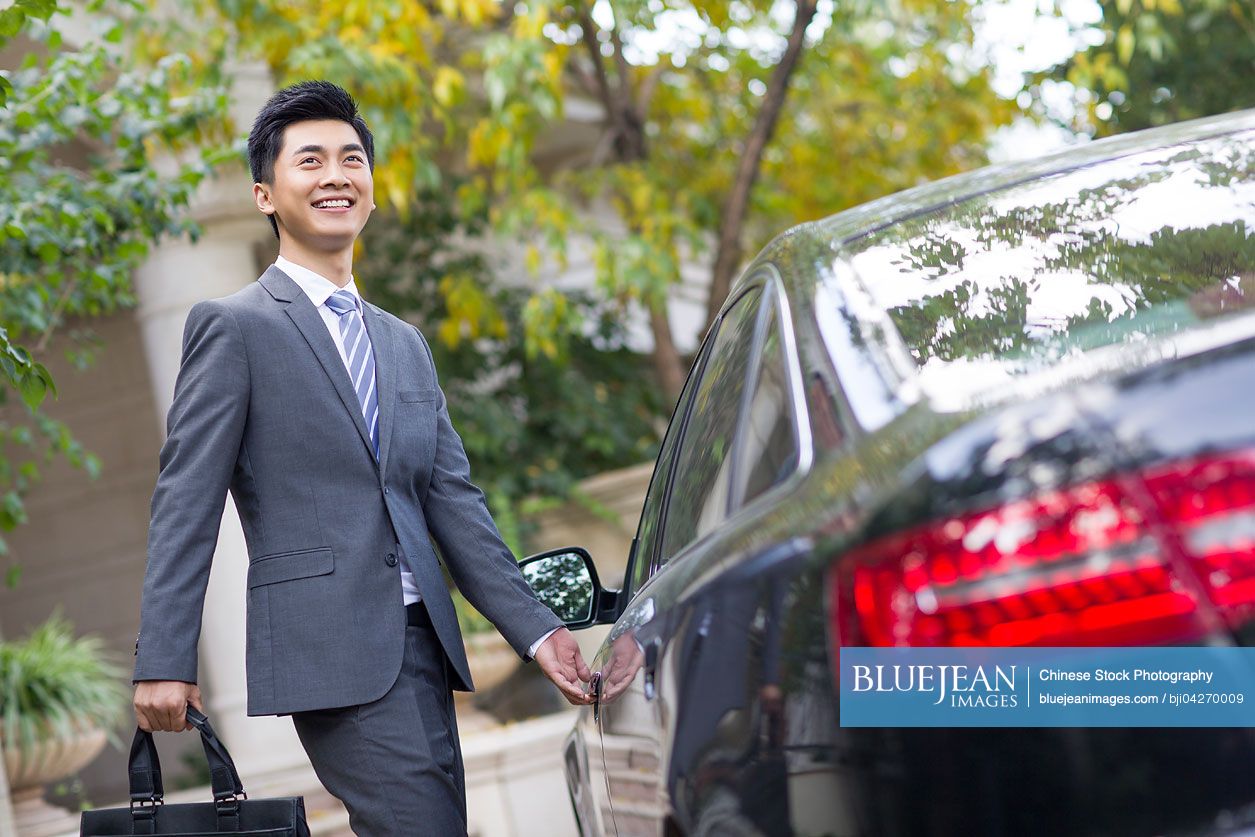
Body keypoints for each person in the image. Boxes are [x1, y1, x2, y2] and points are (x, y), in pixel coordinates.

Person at [131, 80, 593, 836]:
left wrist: (538, 631)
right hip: (334, 652)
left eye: (351, 159)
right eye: (309, 160)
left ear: (372, 192)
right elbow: (186, 496)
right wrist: (165, 655)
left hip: (425, 648)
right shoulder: (234, 327)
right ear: (265, 194)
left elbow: (454, 503)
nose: (336, 175)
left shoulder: (402, 343)